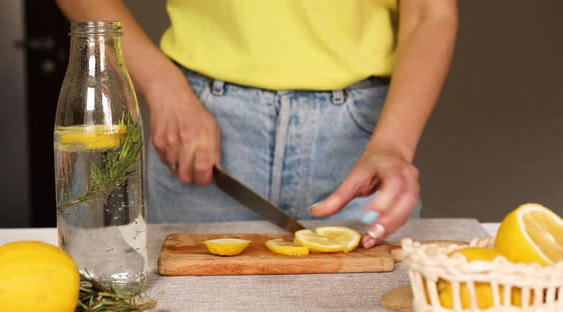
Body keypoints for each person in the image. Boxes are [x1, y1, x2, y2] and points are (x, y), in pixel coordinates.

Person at [56, 0, 458, 249]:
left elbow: (430, 11)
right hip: (197, 133)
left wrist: (394, 145)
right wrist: (161, 86)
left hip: (365, 144)